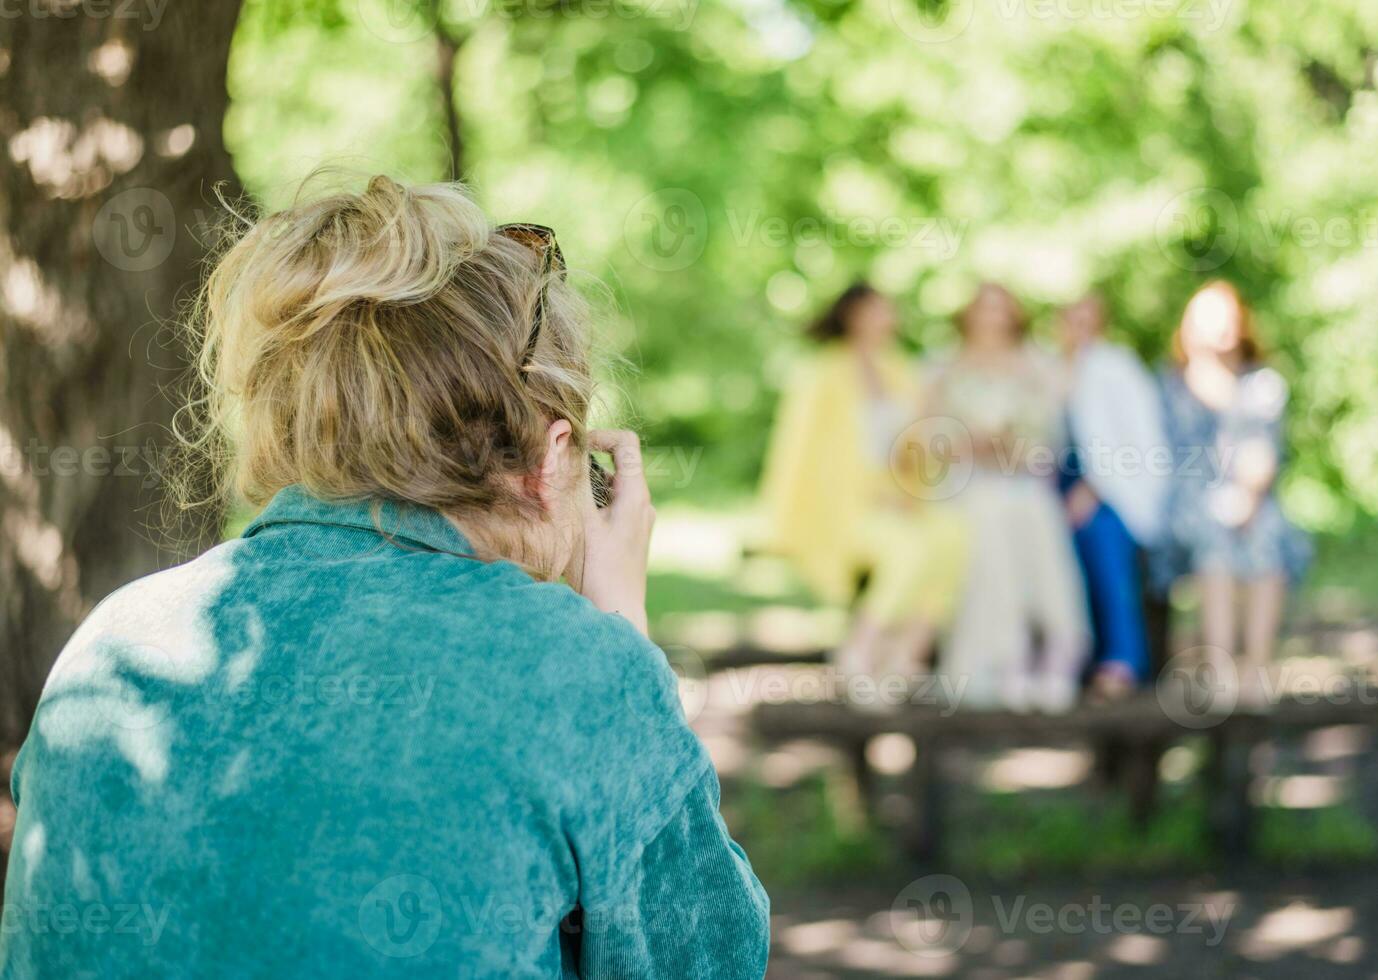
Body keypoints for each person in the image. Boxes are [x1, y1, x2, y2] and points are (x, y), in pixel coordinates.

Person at [0, 177, 769, 977]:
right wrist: (623, 637)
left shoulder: (111, 642)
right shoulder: (579, 669)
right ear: (553, 457)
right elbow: (709, 961)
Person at [761, 283, 964, 707]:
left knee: (952, 537)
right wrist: (867, 495)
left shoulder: (900, 369)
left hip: (898, 498)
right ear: (854, 316)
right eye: (879, 310)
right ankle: (858, 654)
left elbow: (915, 447)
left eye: (890, 309)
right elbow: (804, 454)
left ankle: (906, 655)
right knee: (908, 549)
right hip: (842, 507)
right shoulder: (822, 371)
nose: (890, 318)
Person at [929, 284, 1090, 714]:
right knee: (987, 515)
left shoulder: (1034, 365)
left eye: (1001, 309)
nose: (992, 318)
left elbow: (1049, 440)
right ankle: (1005, 655)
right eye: (984, 308)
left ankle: (1057, 645)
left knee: (1032, 510)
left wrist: (1014, 450)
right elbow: (928, 437)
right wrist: (969, 444)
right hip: (966, 483)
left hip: (1022, 477)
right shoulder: (944, 366)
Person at [1154, 280, 1310, 704]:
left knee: (1267, 532)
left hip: (1251, 497)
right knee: (1215, 533)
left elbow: (1262, 452)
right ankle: (1221, 668)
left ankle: (1256, 666)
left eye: (1226, 317)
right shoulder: (1169, 384)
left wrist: (1249, 498)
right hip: (1189, 500)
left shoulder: (1262, 384)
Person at [1058, 293, 1171, 699]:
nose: (1077, 328)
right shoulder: (1048, 367)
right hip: (1052, 484)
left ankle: (1121, 659)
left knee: (1100, 541)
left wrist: (1094, 488)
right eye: (1071, 318)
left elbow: (1140, 440)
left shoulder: (1117, 367)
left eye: (1087, 320)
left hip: (1112, 492)